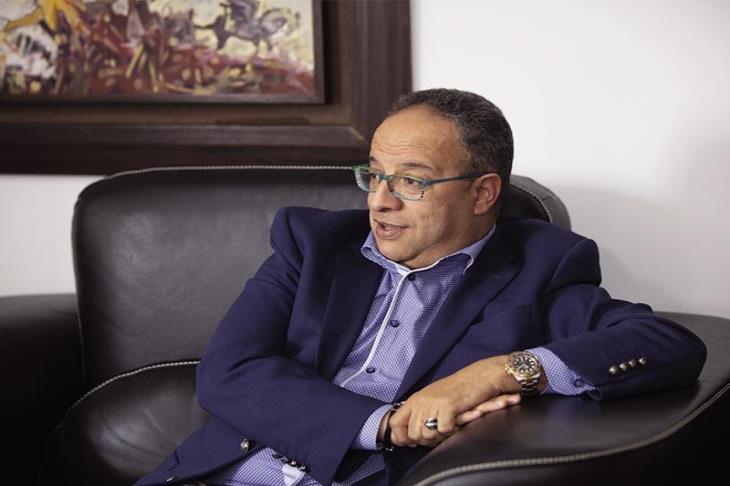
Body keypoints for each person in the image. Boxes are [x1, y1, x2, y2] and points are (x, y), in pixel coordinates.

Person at [135, 88, 706, 486]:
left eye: (411, 181)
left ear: (482, 193)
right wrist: (382, 425)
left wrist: (499, 372)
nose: (380, 201)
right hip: (219, 474)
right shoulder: (313, 244)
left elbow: (668, 344)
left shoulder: (540, 266)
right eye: (374, 175)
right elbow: (229, 371)